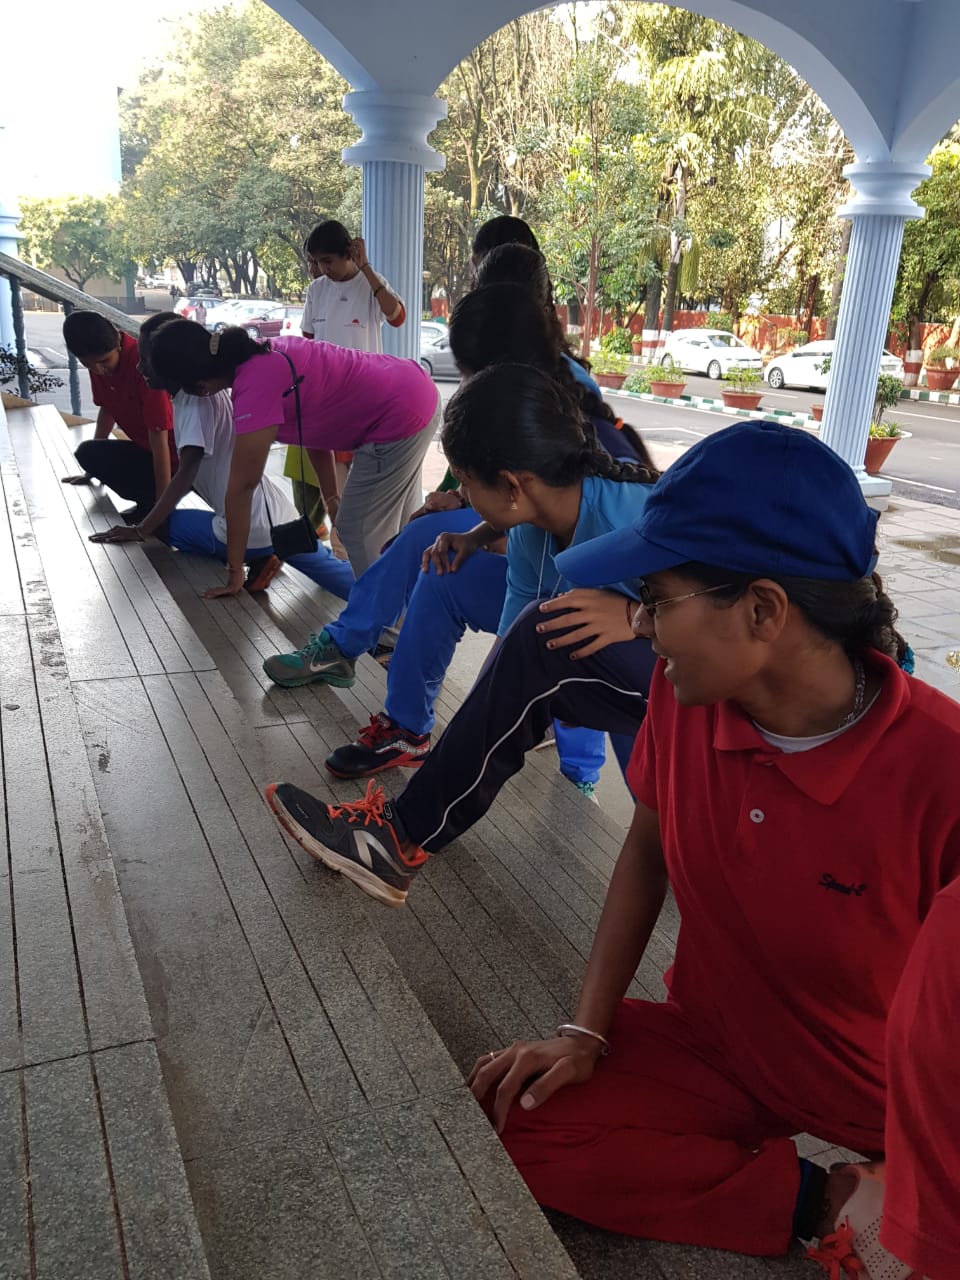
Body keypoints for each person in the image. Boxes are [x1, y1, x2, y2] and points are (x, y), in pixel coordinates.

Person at [315, 419, 953, 1277]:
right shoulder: (687, 702)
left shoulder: (939, 775)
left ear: (763, 611)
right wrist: (585, 1029)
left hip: (891, 1099)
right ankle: (819, 1199)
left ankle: (891, 1182)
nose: (642, 626)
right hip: (719, 1045)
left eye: (655, 598)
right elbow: (647, 850)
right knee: (510, 1108)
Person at [265, 361, 660, 902]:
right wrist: (470, 742)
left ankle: (398, 838)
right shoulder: (530, 526)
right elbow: (508, 655)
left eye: (467, 483)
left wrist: (640, 616)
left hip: (710, 694)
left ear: (512, 485)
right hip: (633, 674)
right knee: (482, 596)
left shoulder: (634, 520)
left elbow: (741, 610)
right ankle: (403, 800)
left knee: (541, 633)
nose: (462, 497)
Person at [263, 284, 654, 789]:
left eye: (474, 371)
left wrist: (638, 617)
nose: (470, 382)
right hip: (566, 593)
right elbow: (512, 640)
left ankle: (585, 777)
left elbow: (719, 601)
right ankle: (405, 730)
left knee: (588, 654)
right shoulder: (526, 511)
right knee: (443, 565)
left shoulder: (620, 501)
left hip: (656, 646)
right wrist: (476, 532)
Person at [147, 322, 440, 595]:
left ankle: (388, 623)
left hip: (396, 417)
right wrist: (331, 497)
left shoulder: (253, 388)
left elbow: (242, 488)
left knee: (357, 531)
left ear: (200, 386)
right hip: (413, 388)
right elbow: (313, 429)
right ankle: (413, 607)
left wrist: (235, 572)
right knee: (399, 532)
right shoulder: (263, 352)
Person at [88, 312, 355, 600]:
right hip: (281, 516)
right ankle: (385, 601)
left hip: (249, 529)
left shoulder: (192, 403)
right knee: (334, 573)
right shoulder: (211, 391)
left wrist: (142, 529)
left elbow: (186, 473)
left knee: (163, 527)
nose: (139, 367)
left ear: (173, 367)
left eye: (146, 360)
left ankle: (259, 557)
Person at [284, 220, 406, 534]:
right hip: (327, 398)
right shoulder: (317, 290)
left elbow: (397, 317)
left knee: (367, 482)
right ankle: (341, 538)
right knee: (337, 490)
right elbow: (309, 342)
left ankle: (373, 539)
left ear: (348, 253)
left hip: (367, 399)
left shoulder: (371, 284)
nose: (323, 269)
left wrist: (366, 268)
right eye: (316, 262)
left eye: (328, 261)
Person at [61, 310, 176, 523]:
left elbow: (160, 437)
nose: (98, 370)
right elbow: (108, 408)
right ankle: (150, 505)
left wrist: (161, 512)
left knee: (158, 503)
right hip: (146, 450)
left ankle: (153, 508)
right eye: (88, 364)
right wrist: (92, 470)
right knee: (88, 453)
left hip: (174, 459)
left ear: (117, 343)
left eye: (104, 361)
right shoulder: (98, 362)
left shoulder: (143, 365)